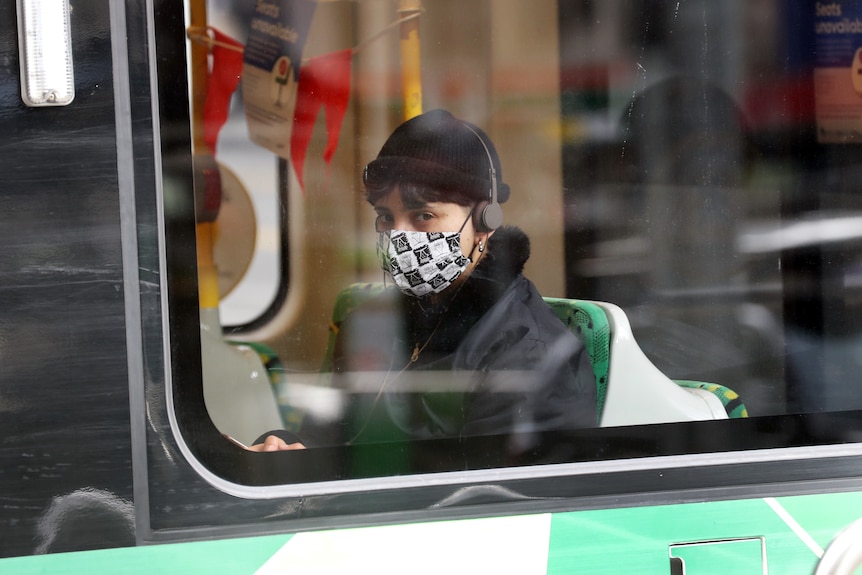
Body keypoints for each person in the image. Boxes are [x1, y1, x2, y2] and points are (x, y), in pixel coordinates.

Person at [250, 109, 595, 454]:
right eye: (386, 216)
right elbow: (332, 438)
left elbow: (492, 496)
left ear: (484, 221)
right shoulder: (373, 322)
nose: (399, 236)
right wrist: (287, 451)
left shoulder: (527, 354)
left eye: (424, 216)